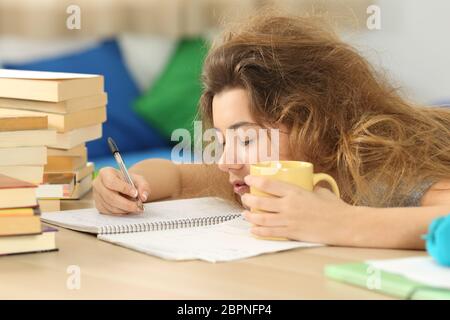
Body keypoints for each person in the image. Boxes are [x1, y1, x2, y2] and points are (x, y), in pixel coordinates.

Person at [93, 14, 450, 249]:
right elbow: (177, 177)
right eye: (220, 142)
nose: (226, 162)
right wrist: (130, 183)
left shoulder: (376, 159)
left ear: (313, 120)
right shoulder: (252, 177)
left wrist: (340, 223)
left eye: (246, 139)